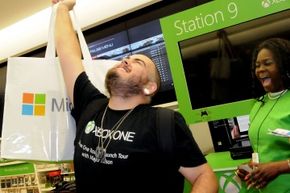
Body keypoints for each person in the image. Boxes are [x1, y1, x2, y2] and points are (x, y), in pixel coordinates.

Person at [51, 0, 218, 193]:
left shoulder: (164, 122)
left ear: (149, 87)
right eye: (127, 58)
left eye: (138, 61)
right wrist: (63, 8)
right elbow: (68, 54)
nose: (125, 60)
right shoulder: (90, 104)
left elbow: (204, 176)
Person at [236, 38, 290, 192]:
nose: (260, 70)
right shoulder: (258, 105)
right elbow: (261, 152)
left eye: (267, 63)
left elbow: (275, 163)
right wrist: (249, 167)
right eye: (257, 65)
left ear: (283, 65)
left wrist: (278, 168)